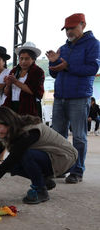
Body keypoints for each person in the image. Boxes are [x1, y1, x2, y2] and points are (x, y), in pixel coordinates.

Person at [0, 107, 78, 204]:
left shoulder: (29, 131)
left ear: (8, 124)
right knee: (14, 165)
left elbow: (9, 161)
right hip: (49, 158)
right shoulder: (11, 130)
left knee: (21, 157)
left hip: (65, 159)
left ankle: (41, 191)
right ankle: (43, 181)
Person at [46, 13, 100, 184]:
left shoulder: (94, 44)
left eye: (72, 27)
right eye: (67, 28)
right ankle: (61, 168)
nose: (69, 31)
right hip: (60, 96)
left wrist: (67, 66)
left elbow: (92, 68)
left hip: (79, 97)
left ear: (83, 25)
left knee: (79, 136)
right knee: (58, 136)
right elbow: (54, 74)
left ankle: (77, 171)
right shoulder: (64, 47)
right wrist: (53, 63)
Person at [4, 42, 45, 118]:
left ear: (33, 59)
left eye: (27, 59)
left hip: (30, 107)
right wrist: (8, 84)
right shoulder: (14, 71)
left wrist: (15, 81)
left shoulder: (38, 72)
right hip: (12, 106)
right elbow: (6, 93)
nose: (23, 61)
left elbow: (33, 91)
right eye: (21, 58)